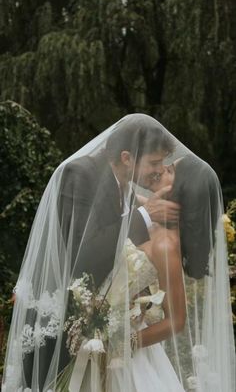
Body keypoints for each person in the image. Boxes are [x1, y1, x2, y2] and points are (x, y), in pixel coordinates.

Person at [2, 114, 235, 392]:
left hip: (101, 341)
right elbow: (83, 258)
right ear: (127, 158)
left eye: (164, 165)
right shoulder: (79, 174)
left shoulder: (128, 190)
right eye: (154, 163)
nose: (159, 170)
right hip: (56, 327)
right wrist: (144, 216)